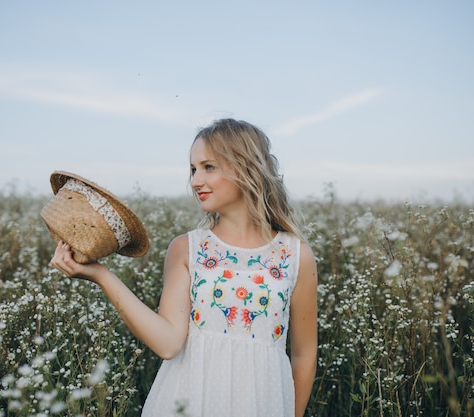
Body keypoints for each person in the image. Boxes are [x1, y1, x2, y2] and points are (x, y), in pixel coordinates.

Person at [50, 118, 318, 417]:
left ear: (245, 167)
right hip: (188, 400)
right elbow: (167, 344)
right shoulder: (188, 248)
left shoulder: (295, 255)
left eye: (208, 167)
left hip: (262, 403)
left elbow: (304, 355)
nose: (195, 181)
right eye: (193, 169)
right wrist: (102, 275)